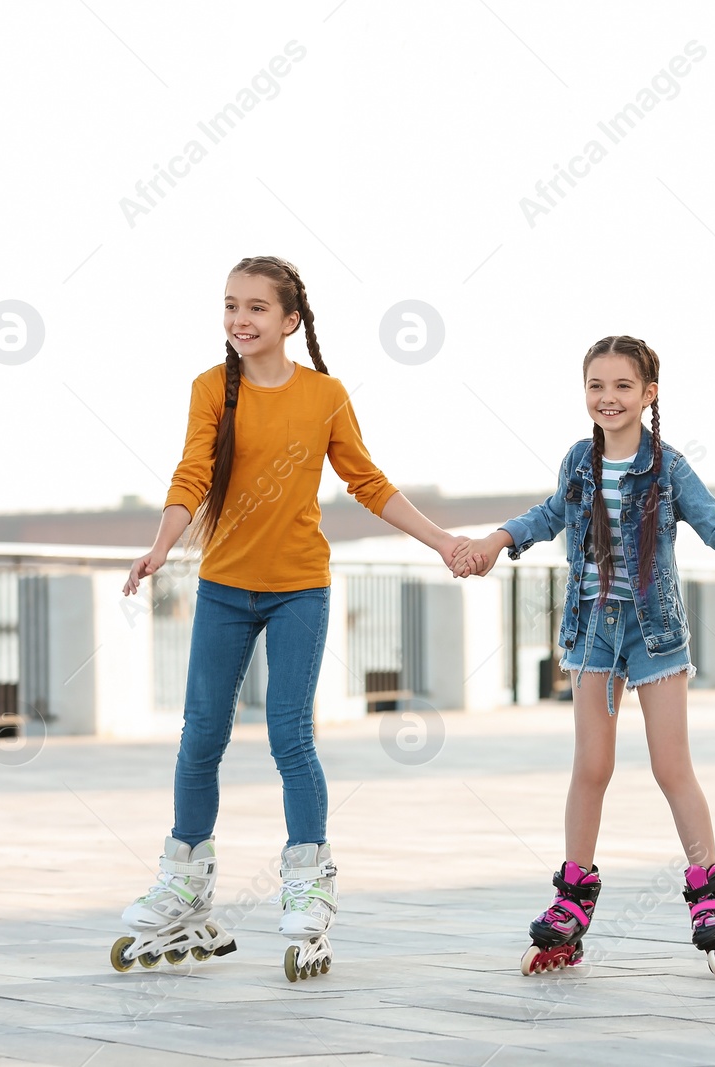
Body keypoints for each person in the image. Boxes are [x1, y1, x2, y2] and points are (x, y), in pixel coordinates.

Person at [111, 255, 477, 979]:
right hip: (222, 586)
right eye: (229, 306)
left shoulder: (325, 395)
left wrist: (442, 540)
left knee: (288, 734)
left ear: (290, 320)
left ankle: (308, 881)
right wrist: (161, 545)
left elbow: (366, 481)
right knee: (201, 736)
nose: (239, 319)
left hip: (297, 589)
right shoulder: (212, 388)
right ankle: (185, 880)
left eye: (254, 307)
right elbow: (193, 472)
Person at [455, 335, 715, 979]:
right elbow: (551, 514)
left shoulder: (667, 466)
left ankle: (710, 895)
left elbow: (710, 519)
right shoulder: (577, 462)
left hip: (654, 633)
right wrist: (497, 540)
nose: (607, 398)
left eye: (622, 387)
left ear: (648, 394)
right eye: (596, 386)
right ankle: (571, 901)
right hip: (591, 633)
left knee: (672, 767)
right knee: (591, 767)